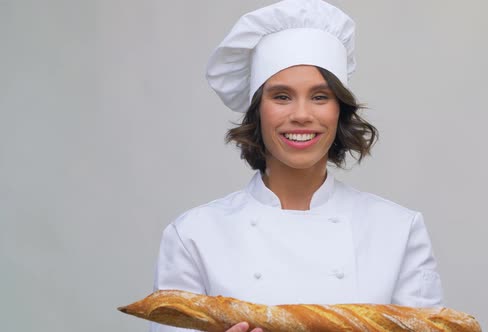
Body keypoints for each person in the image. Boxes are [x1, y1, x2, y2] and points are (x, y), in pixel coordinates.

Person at [150, 1, 443, 331]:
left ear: (339, 110)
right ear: (257, 111)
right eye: (282, 96)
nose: (302, 114)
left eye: (320, 96)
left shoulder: (398, 231)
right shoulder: (194, 236)